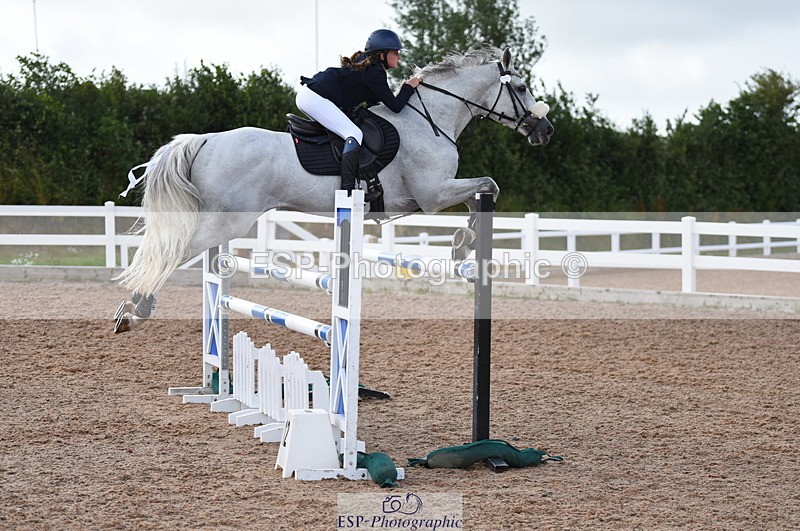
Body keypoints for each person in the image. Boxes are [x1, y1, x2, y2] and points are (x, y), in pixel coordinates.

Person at [296, 29, 421, 199]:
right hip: (314, 97)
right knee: (353, 133)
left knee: (345, 131)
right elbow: (396, 106)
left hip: (311, 94)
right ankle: (347, 193)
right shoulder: (375, 71)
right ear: (382, 55)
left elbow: (374, 102)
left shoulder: (369, 67)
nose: (399, 56)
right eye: (395, 52)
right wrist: (409, 86)